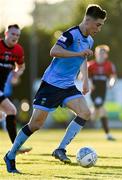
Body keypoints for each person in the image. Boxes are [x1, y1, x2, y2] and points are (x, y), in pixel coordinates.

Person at [4, 5, 107, 173]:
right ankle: (11, 155)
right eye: (98, 24)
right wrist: (78, 54)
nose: (99, 28)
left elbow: (83, 59)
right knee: (36, 124)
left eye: (101, 25)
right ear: (88, 21)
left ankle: (61, 149)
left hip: (68, 86)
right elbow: (54, 51)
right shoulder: (71, 34)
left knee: (85, 113)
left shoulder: (89, 40)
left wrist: (86, 81)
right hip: (51, 85)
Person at [0, 24, 32, 153]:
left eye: (18, 35)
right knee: (11, 110)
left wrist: (16, 74)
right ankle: (16, 147)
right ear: (6, 33)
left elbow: (21, 67)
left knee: (2, 115)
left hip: (1, 88)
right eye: (13, 34)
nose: (15, 37)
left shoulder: (18, 50)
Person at [87, 45, 117, 140]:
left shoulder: (109, 65)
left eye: (103, 53)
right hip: (94, 92)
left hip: (103, 92)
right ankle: (108, 134)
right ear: (95, 54)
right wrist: (90, 83)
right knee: (102, 111)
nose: (101, 54)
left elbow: (113, 76)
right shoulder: (90, 64)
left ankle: (83, 118)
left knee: (96, 113)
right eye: (99, 53)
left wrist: (111, 83)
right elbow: (83, 76)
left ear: (106, 55)